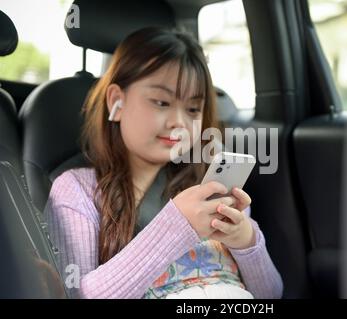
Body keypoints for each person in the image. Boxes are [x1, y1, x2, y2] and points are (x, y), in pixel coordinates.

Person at [44, 27, 283, 299]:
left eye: (193, 109)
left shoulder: (211, 183)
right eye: (161, 102)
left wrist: (247, 241)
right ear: (116, 101)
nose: (179, 122)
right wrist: (176, 227)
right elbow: (76, 295)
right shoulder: (78, 192)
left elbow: (272, 294)